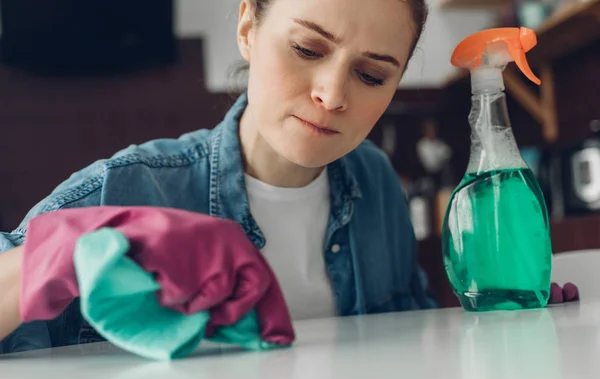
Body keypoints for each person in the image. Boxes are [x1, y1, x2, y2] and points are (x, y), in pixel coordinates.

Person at [0, 0, 436, 354]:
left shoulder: (375, 179)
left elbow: (414, 336)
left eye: (372, 75)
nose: (332, 94)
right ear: (248, 29)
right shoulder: (122, 190)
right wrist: (56, 253)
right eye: (307, 49)